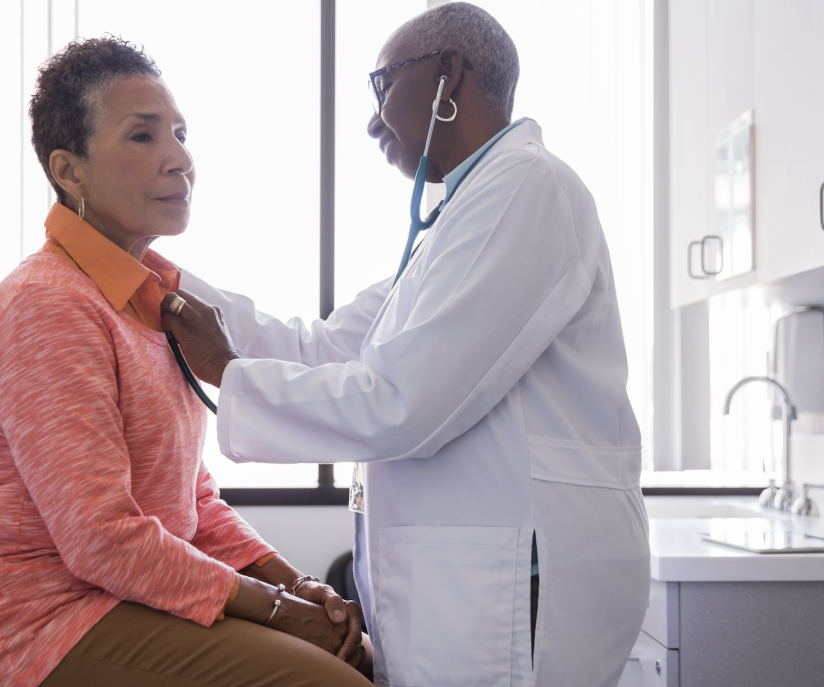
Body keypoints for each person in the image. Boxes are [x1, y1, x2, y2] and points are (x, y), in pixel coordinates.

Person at [160, 4, 651, 686]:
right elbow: (324, 345)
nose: (370, 119)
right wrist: (164, 284)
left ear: (449, 75)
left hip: (516, 579)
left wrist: (228, 371)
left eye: (383, 85)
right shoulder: (462, 221)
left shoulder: (528, 187)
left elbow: (403, 399)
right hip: (468, 577)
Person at [0, 37, 372, 687]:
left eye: (181, 134)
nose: (181, 159)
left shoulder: (154, 301)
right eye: (142, 137)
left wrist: (297, 586)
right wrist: (278, 611)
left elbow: (193, 500)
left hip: (119, 600)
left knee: (351, 655)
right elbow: (103, 538)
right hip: (27, 627)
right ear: (69, 170)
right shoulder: (46, 304)